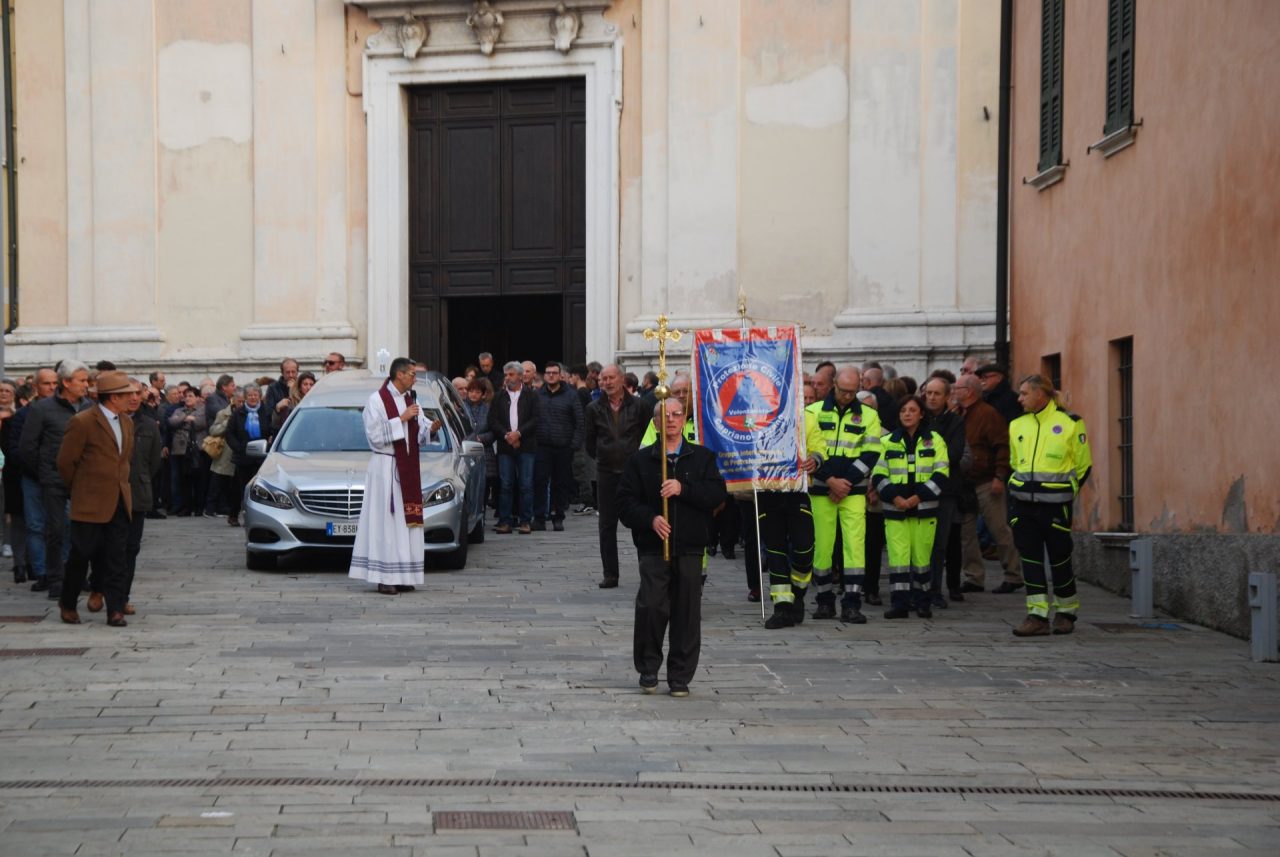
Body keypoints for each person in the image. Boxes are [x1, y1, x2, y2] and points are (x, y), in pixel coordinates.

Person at [617, 397, 727, 697]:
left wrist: (683, 489)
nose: (672, 420)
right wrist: (650, 518)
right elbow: (625, 503)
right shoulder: (640, 460)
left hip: (690, 545)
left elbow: (717, 494)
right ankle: (648, 667)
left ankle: (680, 675)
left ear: (684, 419)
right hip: (654, 546)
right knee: (652, 606)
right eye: (665, 416)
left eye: (677, 414)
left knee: (687, 612)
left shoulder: (702, 457)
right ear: (655, 422)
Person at [1007, 374, 1092, 637]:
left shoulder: (1070, 423)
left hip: (1056, 506)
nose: (1019, 398)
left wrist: (1067, 493)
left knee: (1059, 559)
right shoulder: (1017, 424)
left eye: (1023, 393)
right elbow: (1014, 463)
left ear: (1040, 394)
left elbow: (1083, 465)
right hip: (1024, 506)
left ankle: (1066, 613)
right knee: (1030, 560)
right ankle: (1037, 616)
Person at [349, 358, 439, 595]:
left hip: (406, 468)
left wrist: (431, 428)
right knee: (386, 524)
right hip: (385, 468)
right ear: (399, 375)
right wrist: (401, 418)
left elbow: (417, 432)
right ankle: (384, 577)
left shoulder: (409, 399)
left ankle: (404, 574)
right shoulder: (377, 400)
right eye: (411, 374)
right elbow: (374, 436)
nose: (414, 378)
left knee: (405, 524)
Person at [802, 367, 882, 624]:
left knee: (854, 546)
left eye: (852, 392)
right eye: (843, 390)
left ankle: (852, 603)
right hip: (822, 489)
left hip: (853, 490)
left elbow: (871, 453)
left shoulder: (869, 415)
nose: (847, 396)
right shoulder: (812, 412)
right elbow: (808, 451)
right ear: (834, 384)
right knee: (822, 547)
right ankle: (825, 601)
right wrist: (830, 480)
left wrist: (846, 482)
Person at [55, 371, 134, 627]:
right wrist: (80, 489)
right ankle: (68, 602)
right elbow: (66, 462)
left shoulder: (127, 422)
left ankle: (115, 609)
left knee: (116, 557)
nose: (132, 398)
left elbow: (125, 461)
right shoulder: (83, 421)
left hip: (119, 500)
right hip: (89, 502)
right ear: (113, 398)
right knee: (81, 555)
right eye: (126, 394)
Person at [872, 395, 950, 619]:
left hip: (925, 510)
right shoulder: (887, 442)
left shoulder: (935, 440)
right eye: (903, 410)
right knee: (898, 558)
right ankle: (900, 604)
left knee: (922, 558)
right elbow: (878, 475)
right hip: (895, 510)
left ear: (921, 414)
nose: (907, 414)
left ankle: (923, 602)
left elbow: (941, 473)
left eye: (912, 410)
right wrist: (895, 498)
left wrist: (917, 498)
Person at [20, 361, 91, 599]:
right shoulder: (42, 409)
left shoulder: (89, 407)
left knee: (82, 530)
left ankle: (78, 575)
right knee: (55, 530)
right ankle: (56, 578)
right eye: (81, 380)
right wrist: (44, 472)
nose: (86, 385)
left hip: (83, 479)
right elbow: (28, 447)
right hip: (54, 479)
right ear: (67, 382)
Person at [953, 373, 1022, 593]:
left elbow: (1002, 446)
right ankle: (974, 577)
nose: (955, 392)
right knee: (967, 532)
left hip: (987, 480)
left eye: (958, 388)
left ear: (969, 391)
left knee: (999, 528)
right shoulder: (959, 414)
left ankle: (1013, 574)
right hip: (966, 483)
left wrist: (1000, 476)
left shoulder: (988, 414)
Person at [584, 364, 647, 588]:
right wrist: (604, 455)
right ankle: (610, 573)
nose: (607, 382)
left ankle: (647, 570)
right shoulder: (593, 408)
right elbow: (590, 442)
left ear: (622, 379)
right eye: (604, 379)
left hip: (633, 473)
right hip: (606, 472)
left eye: (611, 378)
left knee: (640, 521)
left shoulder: (639, 405)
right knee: (606, 524)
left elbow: (646, 434)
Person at [920, 376, 969, 608]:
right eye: (928, 392)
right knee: (917, 543)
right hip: (917, 488)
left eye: (936, 393)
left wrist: (926, 457)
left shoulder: (955, 422)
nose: (931, 397)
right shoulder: (917, 418)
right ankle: (916, 587)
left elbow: (954, 454)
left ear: (947, 396)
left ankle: (935, 589)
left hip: (945, 491)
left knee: (940, 543)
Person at [488, 361, 540, 535]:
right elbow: (492, 420)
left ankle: (525, 521)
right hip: (505, 446)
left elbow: (535, 419)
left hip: (526, 446)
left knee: (526, 484)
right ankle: (505, 521)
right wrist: (507, 435)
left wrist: (519, 434)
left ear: (519, 376)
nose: (508, 378)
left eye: (511, 374)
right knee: (506, 484)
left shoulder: (531, 396)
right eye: (506, 375)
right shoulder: (499, 396)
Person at [533, 362, 583, 532]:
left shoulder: (571, 395)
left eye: (555, 373)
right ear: (544, 375)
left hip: (563, 447)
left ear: (560, 375)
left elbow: (579, 421)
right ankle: (539, 518)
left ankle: (558, 517)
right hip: (542, 446)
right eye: (548, 373)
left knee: (560, 483)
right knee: (540, 481)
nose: (551, 375)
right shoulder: (538, 395)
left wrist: (574, 445)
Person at [225, 383, 269, 527]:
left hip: (261, 457)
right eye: (250, 395)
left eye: (255, 395)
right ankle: (233, 514)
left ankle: (256, 517)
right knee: (240, 488)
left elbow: (272, 429)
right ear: (245, 397)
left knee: (259, 489)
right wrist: (238, 447)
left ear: (259, 396)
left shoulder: (266, 411)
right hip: (243, 456)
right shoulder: (238, 413)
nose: (252, 397)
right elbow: (229, 433)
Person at [166, 387, 208, 516]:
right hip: (181, 450)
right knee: (183, 480)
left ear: (197, 397)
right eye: (186, 396)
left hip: (197, 449)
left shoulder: (203, 410)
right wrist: (185, 417)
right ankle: (185, 507)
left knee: (199, 480)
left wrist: (185, 421)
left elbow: (201, 423)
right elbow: (171, 422)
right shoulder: (179, 410)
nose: (188, 398)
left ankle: (199, 507)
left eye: (190, 396)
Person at [271, 371, 315, 436]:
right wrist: (277, 409)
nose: (309, 388)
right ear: (300, 387)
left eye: (311, 384)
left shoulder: (319, 402)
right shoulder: (290, 403)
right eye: (305, 384)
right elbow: (277, 425)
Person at [262, 358, 300, 433]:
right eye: (287, 372)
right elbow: (267, 413)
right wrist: (277, 407)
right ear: (282, 373)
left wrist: (293, 390)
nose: (291, 375)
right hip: (280, 431)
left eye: (293, 372)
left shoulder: (302, 386)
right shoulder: (273, 388)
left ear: (297, 372)